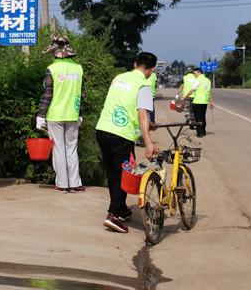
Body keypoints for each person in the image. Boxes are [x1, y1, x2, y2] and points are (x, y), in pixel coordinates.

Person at [96, 52, 161, 233]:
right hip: (121, 135)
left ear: (134, 64)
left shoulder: (119, 78)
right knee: (124, 175)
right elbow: (142, 115)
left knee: (113, 173)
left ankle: (122, 209)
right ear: (151, 70)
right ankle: (114, 214)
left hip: (102, 130)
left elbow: (123, 103)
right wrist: (148, 144)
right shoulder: (144, 86)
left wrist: (148, 125)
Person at [36, 36, 86, 193]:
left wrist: (41, 115)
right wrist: (81, 113)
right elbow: (82, 94)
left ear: (54, 52)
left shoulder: (52, 69)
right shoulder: (78, 68)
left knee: (59, 149)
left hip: (55, 115)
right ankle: (75, 183)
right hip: (73, 114)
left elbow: (48, 94)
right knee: (72, 148)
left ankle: (62, 183)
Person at [182, 67, 213, 137]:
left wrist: (184, 97)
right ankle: (203, 131)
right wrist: (211, 102)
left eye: (195, 73)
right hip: (205, 102)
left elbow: (192, 90)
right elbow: (209, 92)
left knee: (198, 118)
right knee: (203, 117)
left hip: (197, 101)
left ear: (199, 72)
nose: (194, 75)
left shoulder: (198, 80)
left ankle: (199, 133)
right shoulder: (207, 80)